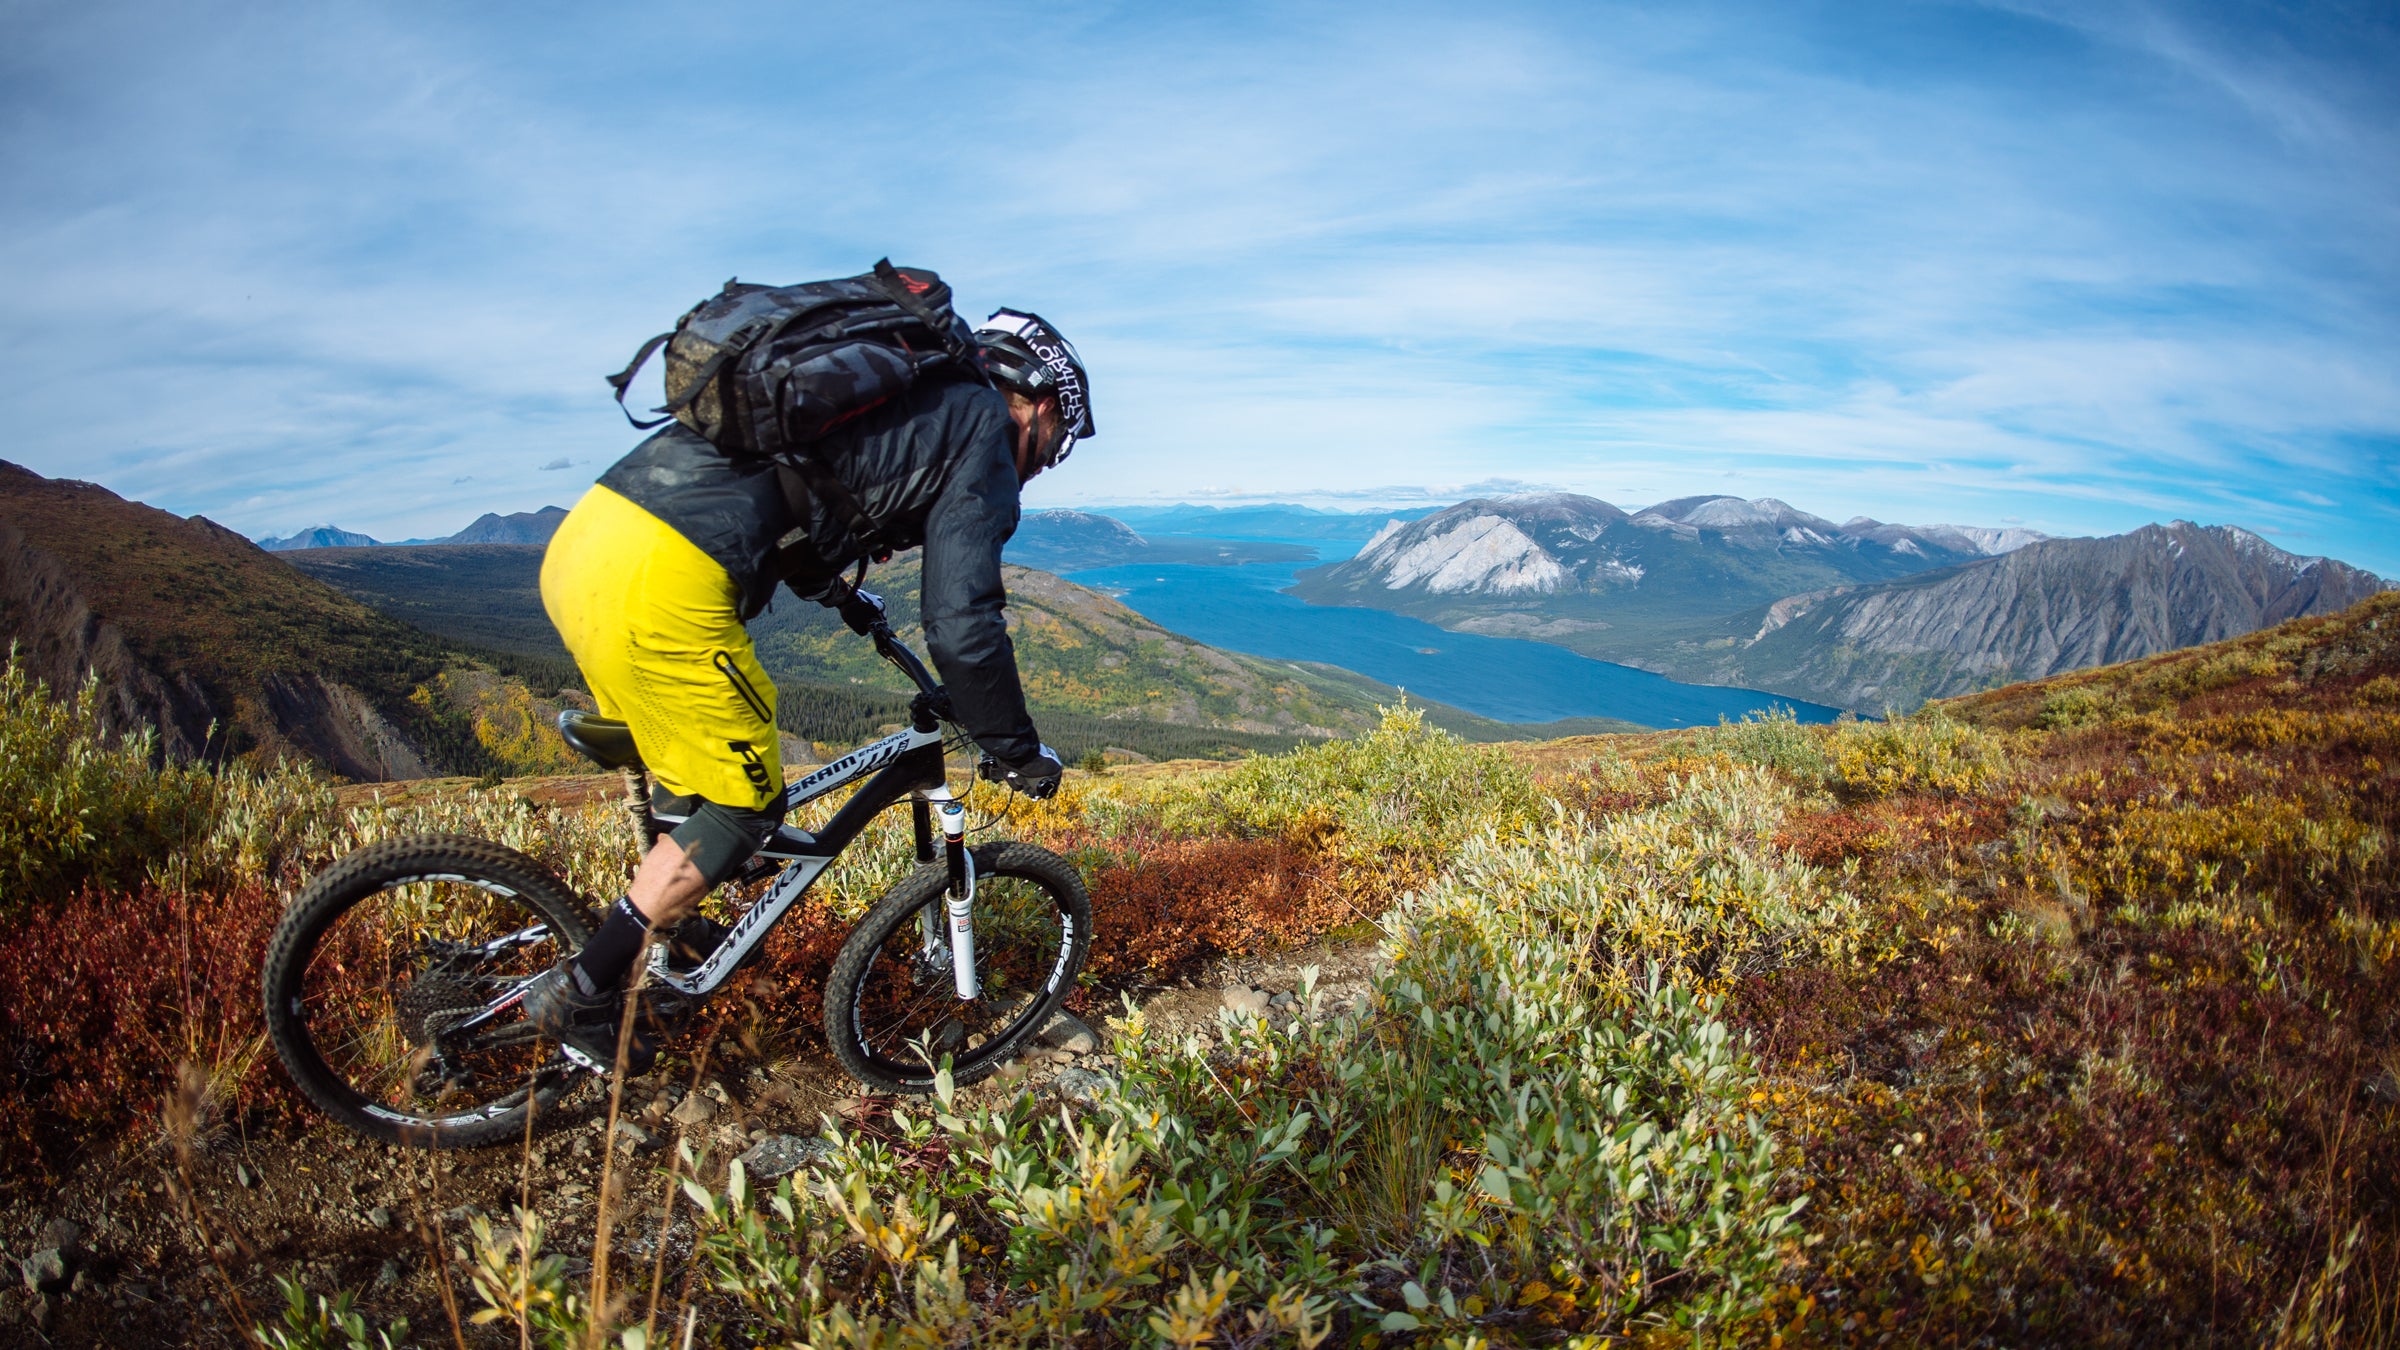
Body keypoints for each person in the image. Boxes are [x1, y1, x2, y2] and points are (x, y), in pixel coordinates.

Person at [525, 304, 1095, 1070]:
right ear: (1041, 404)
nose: (1044, 461)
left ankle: (673, 925)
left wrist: (845, 597)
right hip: (665, 580)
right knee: (744, 808)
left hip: (587, 541)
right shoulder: (983, 432)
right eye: (1055, 445)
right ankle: (586, 990)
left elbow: (798, 499)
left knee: (693, 775)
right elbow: (962, 622)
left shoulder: (907, 407)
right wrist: (1014, 750)